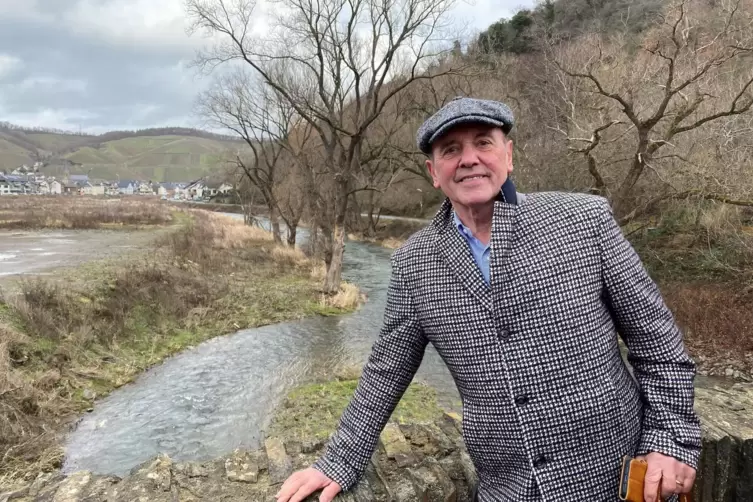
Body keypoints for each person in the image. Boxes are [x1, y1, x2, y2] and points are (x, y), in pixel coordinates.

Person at [275, 97, 702, 501]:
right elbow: (387, 369)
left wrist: (671, 440)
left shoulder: (583, 220)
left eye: (483, 142)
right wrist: (338, 461)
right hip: (507, 484)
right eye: (451, 149)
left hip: (616, 475)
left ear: (508, 155)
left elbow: (658, 346)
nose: (469, 159)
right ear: (433, 171)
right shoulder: (414, 262)